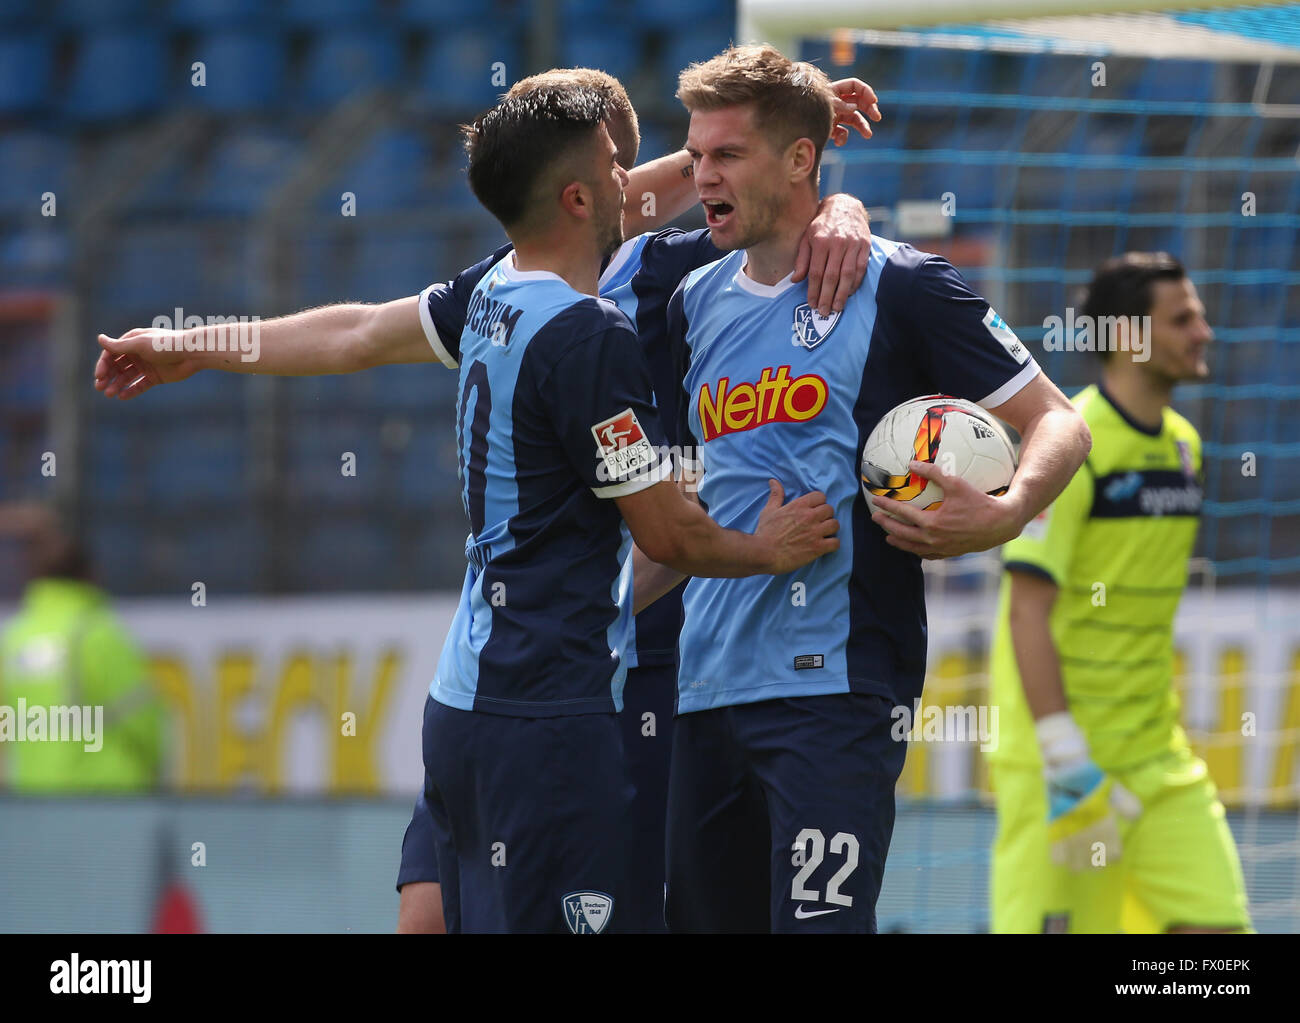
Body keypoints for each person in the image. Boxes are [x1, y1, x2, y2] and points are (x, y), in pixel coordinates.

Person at [94, 67, 879, 934]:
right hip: (538, 677)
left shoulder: (671, 272)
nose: (672, 178)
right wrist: (197, 345)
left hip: (634, 668)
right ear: (584, 187)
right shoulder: (531, 292)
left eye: (691, 160)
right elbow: (355, 331)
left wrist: (836, 204)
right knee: (432, 915)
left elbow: (787, 240)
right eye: (654, 163)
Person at [659, 44, 1092, 933]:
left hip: (837, 688)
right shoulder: (690, 298)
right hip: (703, 688)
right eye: (695, 154)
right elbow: (684, 493)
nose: (702, 175)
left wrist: (1004, 514)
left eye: (726, 155)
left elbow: (1059, 420)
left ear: (800, 159)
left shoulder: (904, 283)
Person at [986, 252, 1252, 933]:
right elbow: (1026, 608)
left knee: (1219, 943)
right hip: (1063, 758)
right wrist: (1064, 753)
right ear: (1131, 336)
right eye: (1183, 318)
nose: (1204, 332)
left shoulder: (1186, 446)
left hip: (1156, 756)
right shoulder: (1070, 443)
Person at [0, 504, 164, 792]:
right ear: (90, 574)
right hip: (105, 804)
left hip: (35, 806)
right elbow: (146, 726)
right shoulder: (97, 634)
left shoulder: (14, 640)